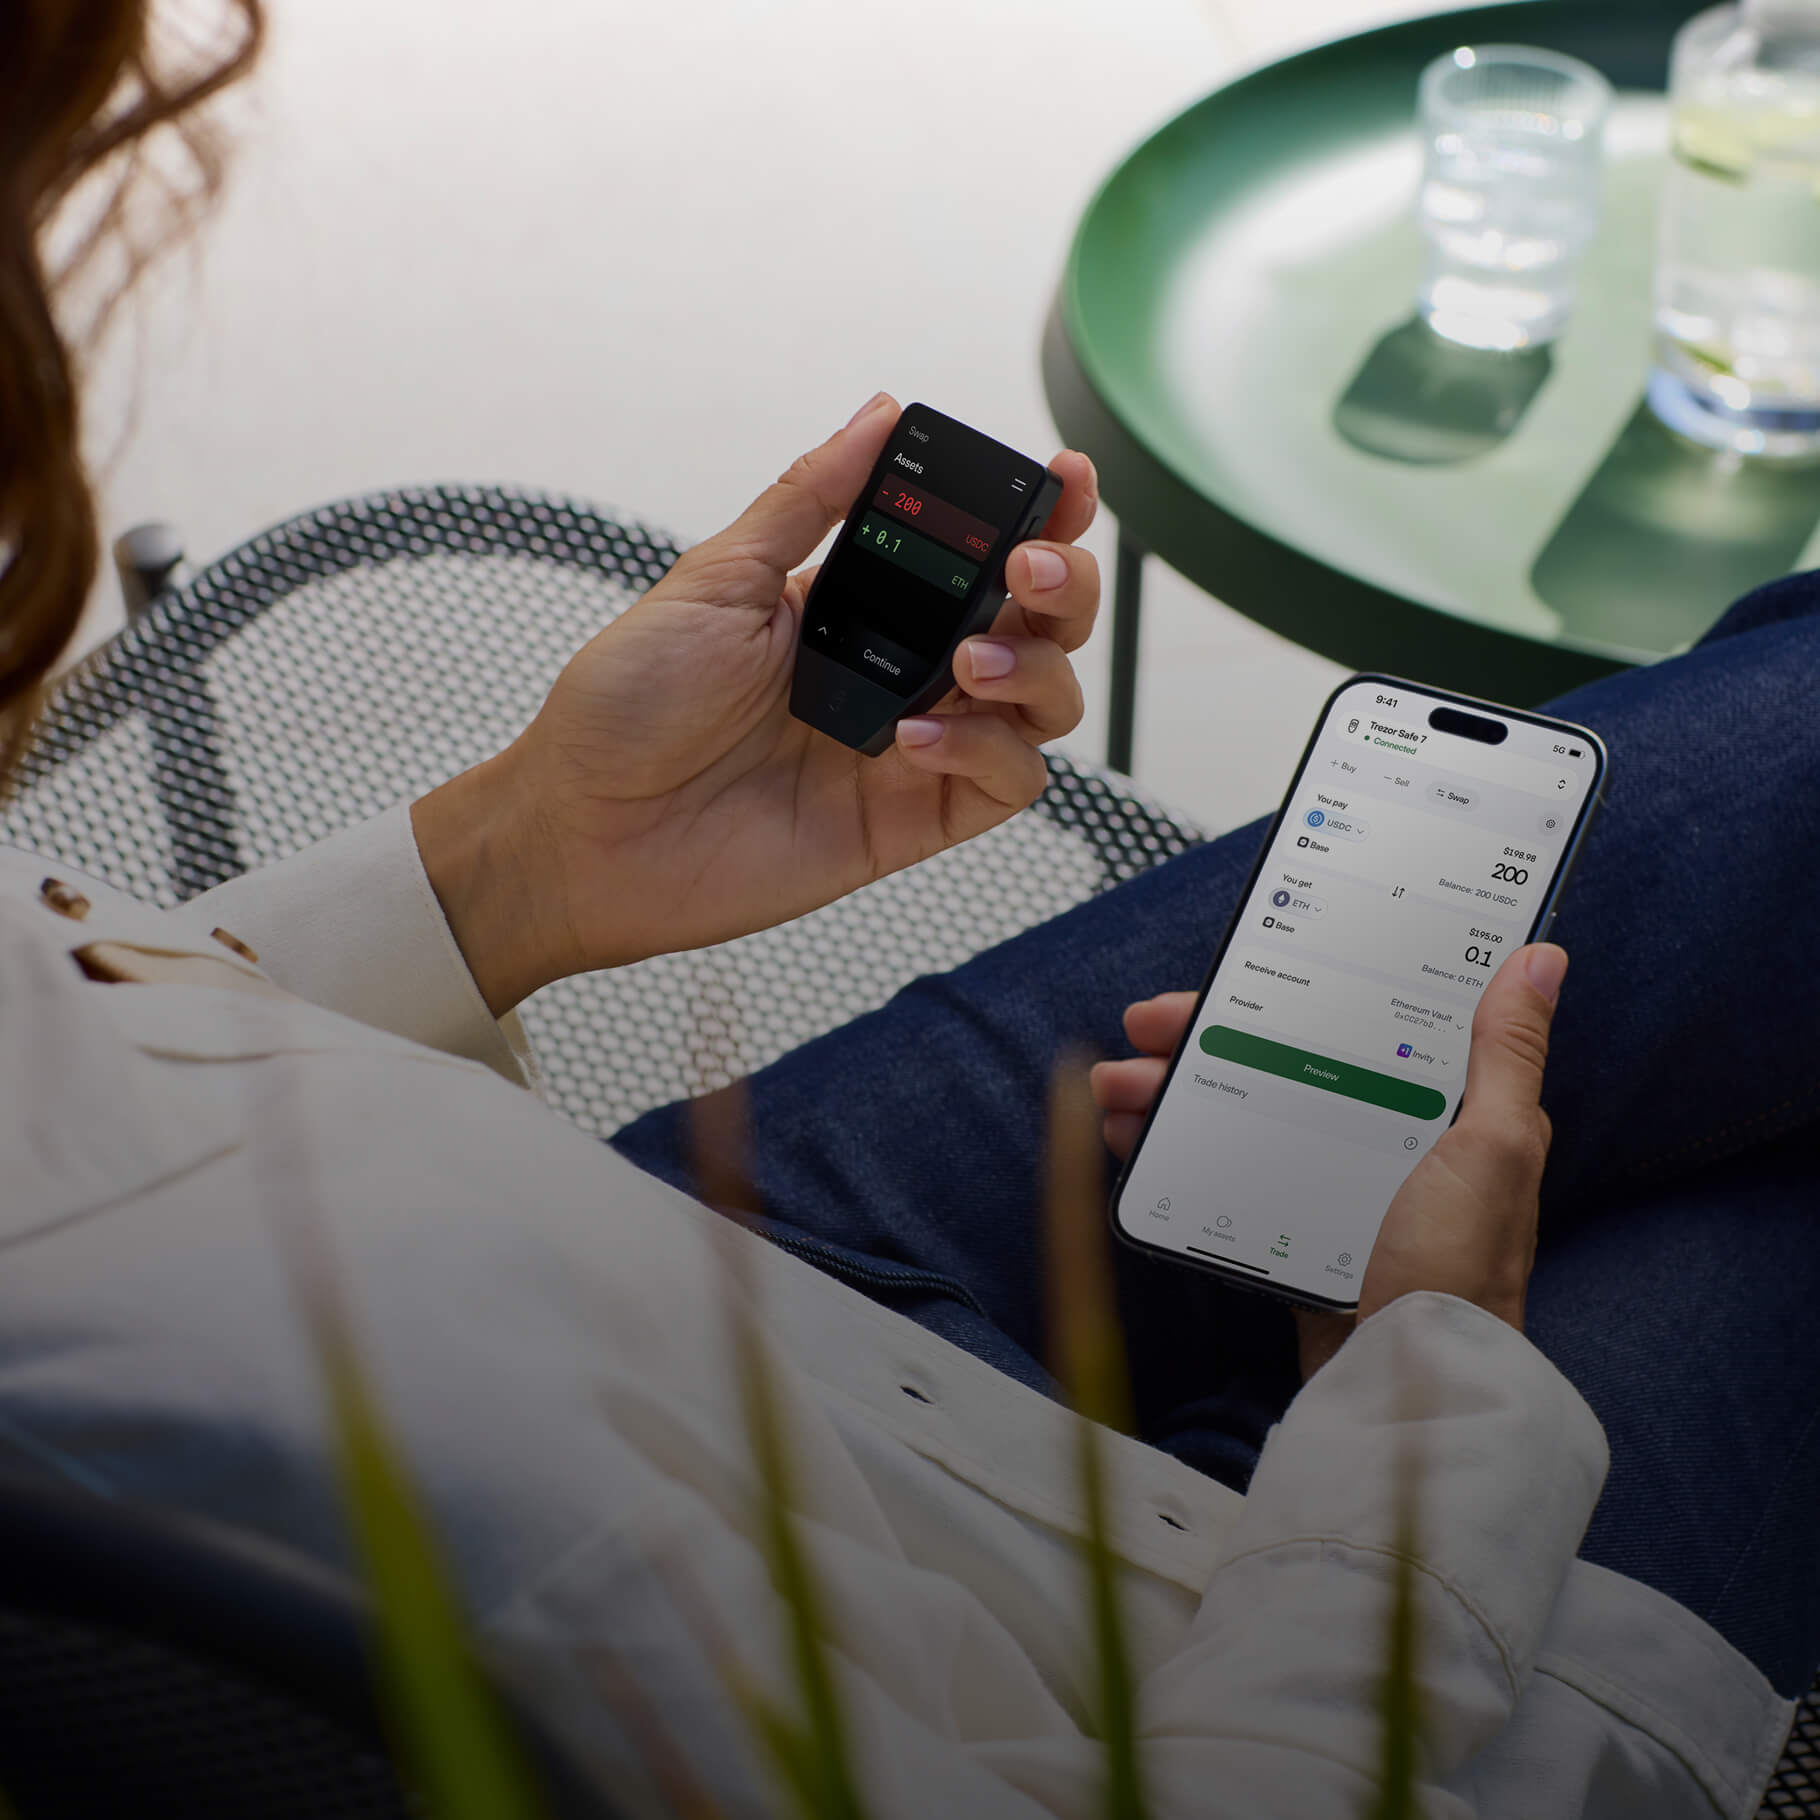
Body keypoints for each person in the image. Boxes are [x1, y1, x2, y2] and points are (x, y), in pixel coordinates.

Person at [1, 4, 1815, 1815]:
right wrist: (1418, 1386)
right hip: (1197, 1661)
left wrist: (520, 862)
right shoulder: (134, 1592)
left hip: (695, 1259)